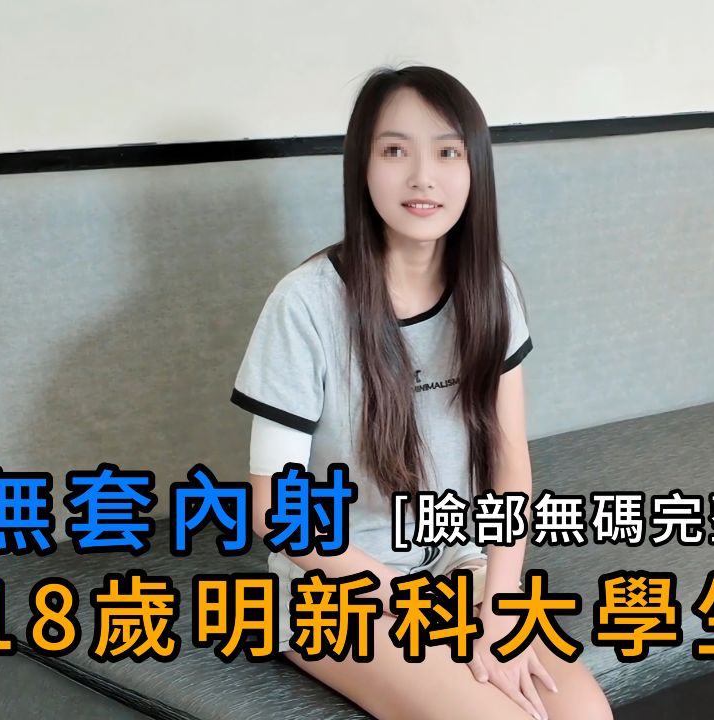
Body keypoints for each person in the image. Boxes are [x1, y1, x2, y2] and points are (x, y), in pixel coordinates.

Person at [231, 65, 613, 720]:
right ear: (362, 166)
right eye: (394, 151)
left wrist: (501, 605)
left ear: (474, 168)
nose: (422, 177)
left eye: (447, 152)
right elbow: (273, 508)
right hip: (337, 584)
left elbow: (509, 462)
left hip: (458, 564)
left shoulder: (491, 288)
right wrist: (404, 600)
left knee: (585, 715)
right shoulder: (304, 305)